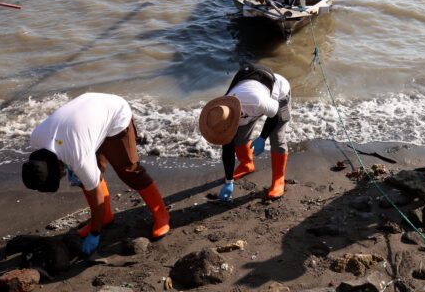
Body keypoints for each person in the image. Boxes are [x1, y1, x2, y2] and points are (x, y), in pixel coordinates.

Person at [22, 93, 170, 256]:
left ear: (58, 165)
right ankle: (105, 217)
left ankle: (161, 214)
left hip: (114, 114)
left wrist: (94, 233)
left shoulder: (78, 156)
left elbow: (96, 196)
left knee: (129, 171)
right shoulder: (36, 138)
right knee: (85, 176)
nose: (62, 178)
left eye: (58, 177)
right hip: (86, 121)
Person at [199, 63, 291, 202]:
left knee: (277, 138)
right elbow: (227, 147)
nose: (228, 130)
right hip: (250, 100)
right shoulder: (223, 111)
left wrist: (262, 137)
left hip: (278, 96)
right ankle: (247, 165)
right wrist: (228, 181)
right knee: (238, 138)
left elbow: (275, 115)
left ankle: (279, 180)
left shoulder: (256, 102)